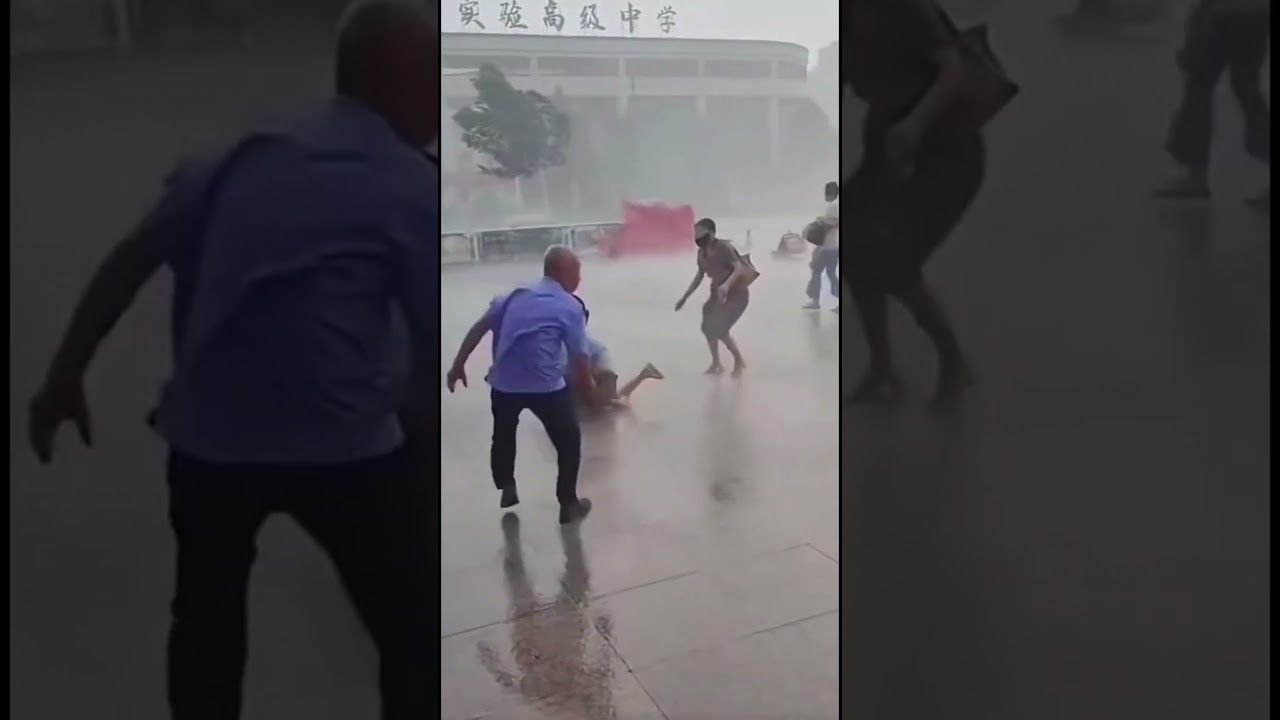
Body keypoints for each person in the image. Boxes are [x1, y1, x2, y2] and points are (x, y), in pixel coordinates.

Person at [25, 4, 439, 718]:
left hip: (211, 445)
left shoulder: (232, 162)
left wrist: (65, 374)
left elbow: (128, 262)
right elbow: (432, 346)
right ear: (402, 85)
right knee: (414, 636)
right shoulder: (407, 186)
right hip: (342, 450)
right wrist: (428, 475)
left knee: (206, 623)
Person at [844, 0, 981, 408]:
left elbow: (955, 71)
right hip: (885, 144)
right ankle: (884, 370)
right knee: (851, 247)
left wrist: (914, 126)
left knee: (892, 261)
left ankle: (954, 361)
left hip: (941, 148)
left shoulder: (906, 9)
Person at [446, 245, 597, 525]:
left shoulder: (514, 295)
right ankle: (568, 504)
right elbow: (580, 355)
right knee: (569, 442)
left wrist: (458, 365)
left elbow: (479, 327)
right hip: (546, 387)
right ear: (563, 271)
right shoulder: (569, 305)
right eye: (577, 271)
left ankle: (506, 485)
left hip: (505, 385)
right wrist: (590, 391)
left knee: (502, 435)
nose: (580, 278)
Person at [1158, 0, 1270, 209]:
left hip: (1223, 11)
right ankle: (1195, 171)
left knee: (1200, 82)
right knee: (1245, 87)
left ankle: (1196, 173)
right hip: (1257, 12)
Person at [674, 218, 752, 376]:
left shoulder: (724, 247)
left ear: (711, 233)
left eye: (701, 233)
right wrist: (685, 297)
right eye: (695, 233)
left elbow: (738, 268)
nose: (698, 237)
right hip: (716, 293)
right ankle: (716, 363)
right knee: (707, 327)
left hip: (736, 292)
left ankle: (738, 360)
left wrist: (726, 285)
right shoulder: (701, 253)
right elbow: (699, 276)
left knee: (720, 328)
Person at [569, 296, 664, 409]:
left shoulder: (595, 348)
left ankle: (643, 376)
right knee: (615, 399)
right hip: (588, 379)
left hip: (598, 376)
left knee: (616, 405)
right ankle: (643, 375)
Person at [803, 181, 841, 312]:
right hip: (834, 246)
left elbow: (833, 222)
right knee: (830, 273)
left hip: (829, 246)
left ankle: (814, 300)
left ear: (830, 193)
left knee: (816, 270)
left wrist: (820, 222)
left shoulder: (833, 206)